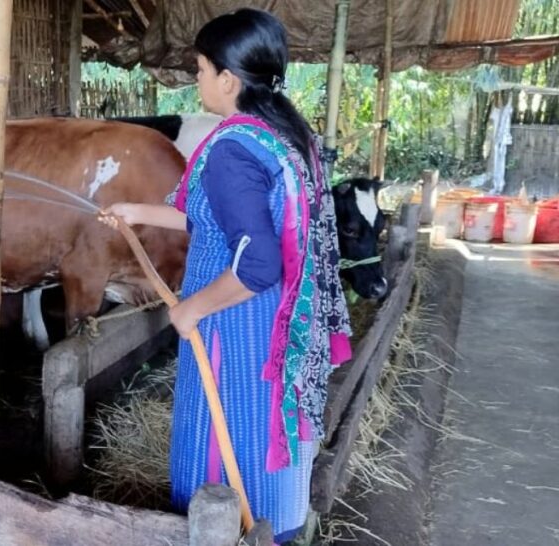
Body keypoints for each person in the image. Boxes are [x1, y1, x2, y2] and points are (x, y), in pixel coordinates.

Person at [99, 9, 352, 543]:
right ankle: (277, 526)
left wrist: (191, 309)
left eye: (200, 69)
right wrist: (138, 212)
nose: (196, 79)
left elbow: (258, 264)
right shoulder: (281, 134)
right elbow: (220, 218)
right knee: (268, 439)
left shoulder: (231, 149)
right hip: (276, 324)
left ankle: (235, 533)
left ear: (228, 79)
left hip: (238, 330)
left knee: (232, 437)